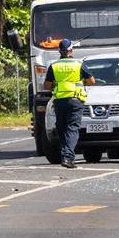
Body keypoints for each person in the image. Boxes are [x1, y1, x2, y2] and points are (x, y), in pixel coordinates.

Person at [43, 39, 95, 169]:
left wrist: (57, 84)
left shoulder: (54, 66)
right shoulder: (79, 64)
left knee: (62, 128)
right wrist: (80, 82)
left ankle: (65, 155)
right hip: (75, 100)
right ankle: (67, 157)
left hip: (60, 101)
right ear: (71, 50)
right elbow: (91, 81)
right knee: (72, 128)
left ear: (59, 52)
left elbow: (47, 86)